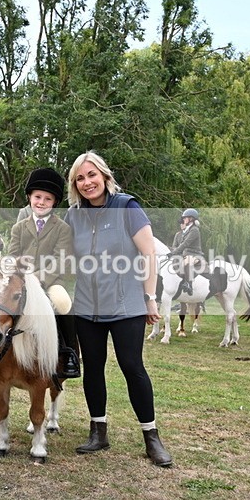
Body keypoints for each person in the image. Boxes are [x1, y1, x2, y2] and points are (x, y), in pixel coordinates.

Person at [64, 151, 173, 467]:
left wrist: (150, 297)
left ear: (105, 176)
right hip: (86, 307)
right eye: (80, 178)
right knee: (93, 367)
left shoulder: (128, 207)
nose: (87, 183)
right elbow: (61, 253)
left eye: (92, 175)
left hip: (127, 306)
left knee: (131, 366)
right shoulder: (73, 215)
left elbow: (149, 254)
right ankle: (98, 431)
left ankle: (151, 437)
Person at [0, 168, 80, 379]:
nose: (41, 202)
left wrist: (38, 276)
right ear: (29, 198)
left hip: (49, 280)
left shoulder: (62, 228)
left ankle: (69, 352)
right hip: (20, 280)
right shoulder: (19, 227)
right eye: (37, 197)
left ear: (54, 202)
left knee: (63, 302)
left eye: (47, 199)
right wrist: (11, 272)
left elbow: (61, 260)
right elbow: (12, 254)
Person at [166, 208, 204, 295]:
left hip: (195, 255)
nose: (183, 219)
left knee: (187, 262)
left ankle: (189, 285)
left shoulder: (194, 230)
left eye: (185, 218)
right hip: (185, 254)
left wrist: (173, 253)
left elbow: (185, 244)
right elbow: (180, 245)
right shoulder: (186, 230)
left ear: (191, 219)